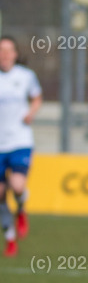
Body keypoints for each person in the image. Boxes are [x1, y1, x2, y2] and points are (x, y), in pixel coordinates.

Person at [0, 36, 43, 257]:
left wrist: (31, 113)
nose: (5, 55)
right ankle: (10, 240)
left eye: (8, 50)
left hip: (19, 141)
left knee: (17, 186)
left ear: (16, 54)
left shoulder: (26, 77)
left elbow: (37, 97)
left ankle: (21, 210)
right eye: (1, 50)